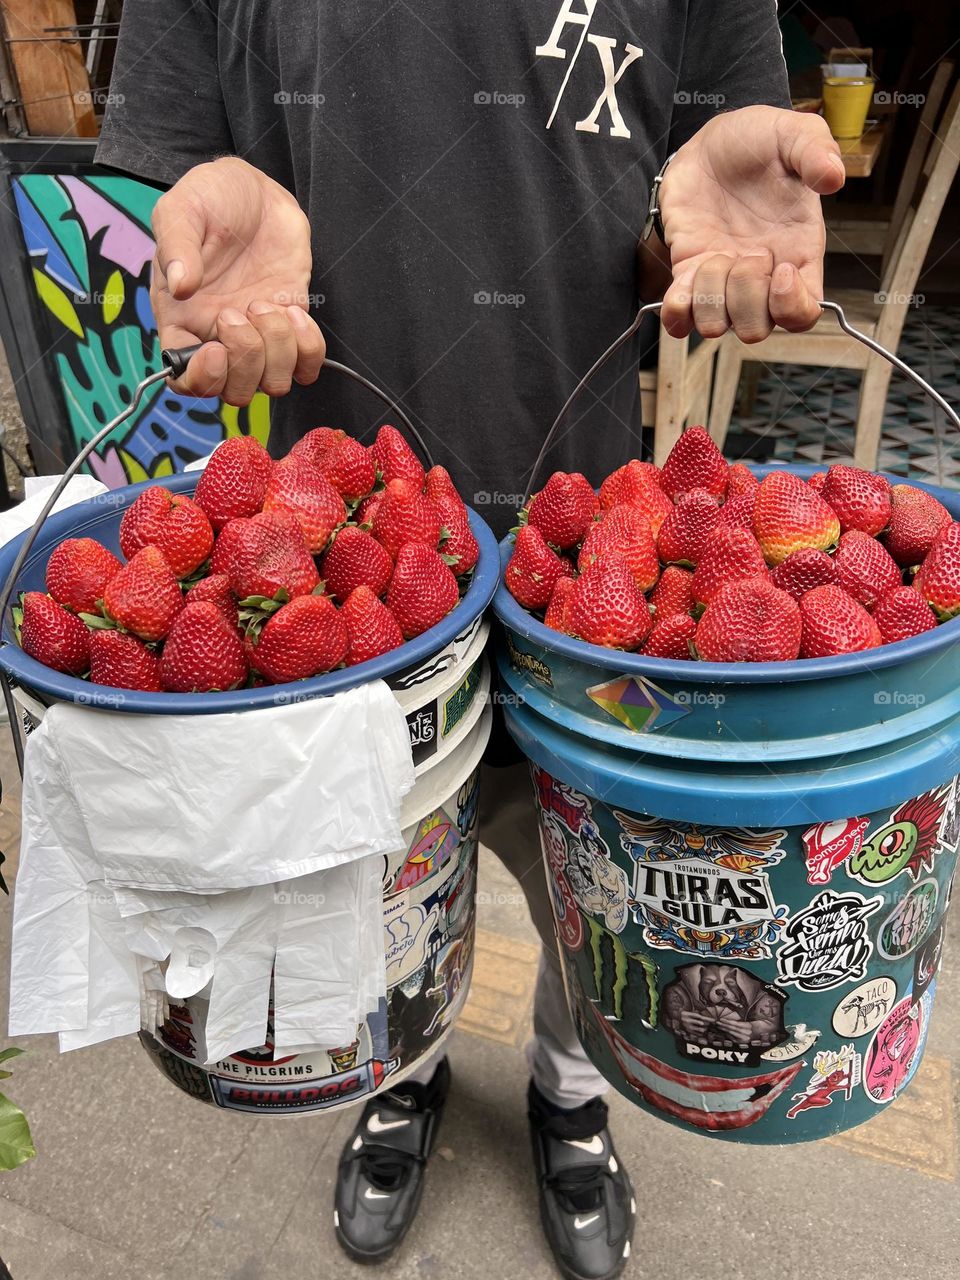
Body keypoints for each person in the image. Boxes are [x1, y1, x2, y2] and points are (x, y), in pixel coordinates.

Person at [98, 4, 842, 1277]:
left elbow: (695, 219)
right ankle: (404, 1072)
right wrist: (192, 222)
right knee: (376, 870)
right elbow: (167, 193)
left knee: (596, 879)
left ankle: (572, 1089)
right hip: (330, 582)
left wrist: (693, 236)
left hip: (599, 565)